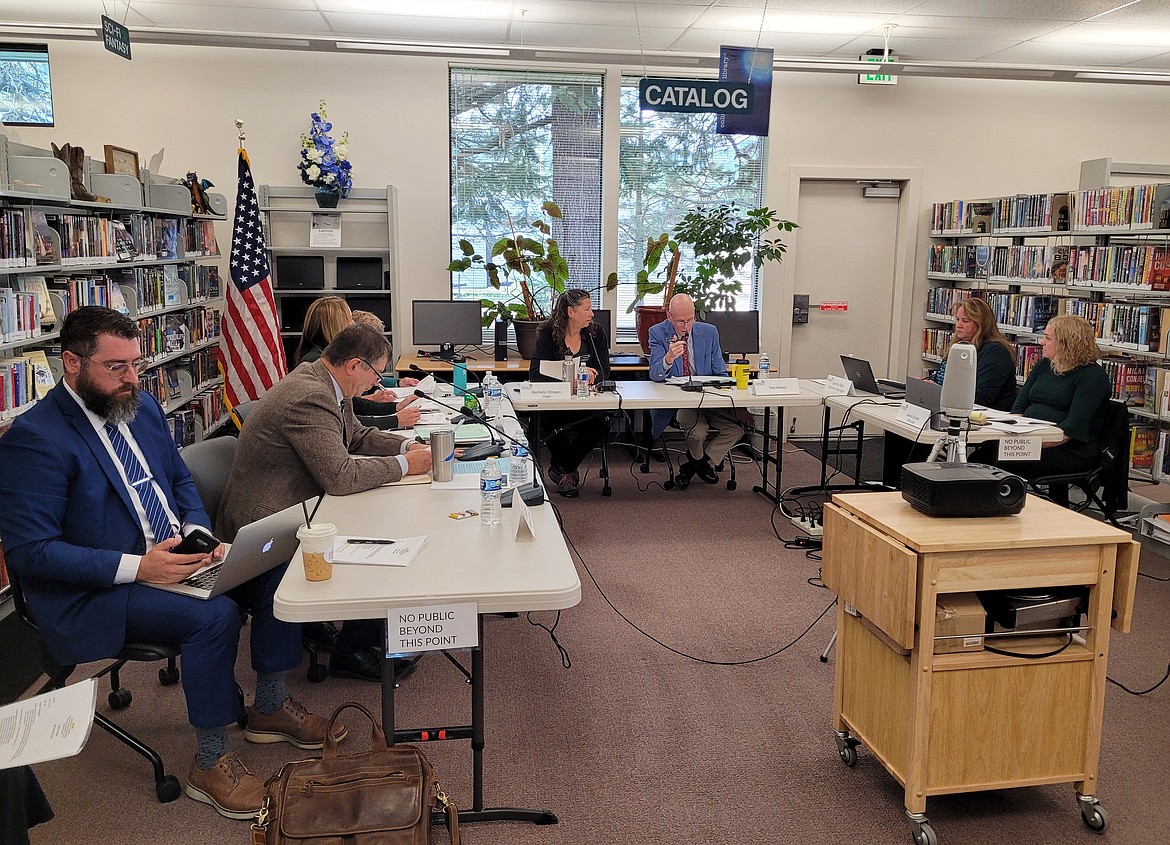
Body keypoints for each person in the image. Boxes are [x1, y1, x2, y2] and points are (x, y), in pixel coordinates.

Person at [0, 307, 340, 821]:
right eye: (117, 367)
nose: (133, 379)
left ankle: (269, 706)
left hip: (175, 558)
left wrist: (200, 536)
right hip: (102, 585)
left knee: (276, 573)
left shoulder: (140, 406)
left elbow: (179, 482)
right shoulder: (35, 438)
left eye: (135, 364)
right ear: (71, 363)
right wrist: (139, 567)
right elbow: (31, 553)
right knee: (215, 617)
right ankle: (211, 760)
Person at [217, 324, 433, 682]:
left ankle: (353, 629)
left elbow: (357, 436)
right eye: (377, 374)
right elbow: (341, 476)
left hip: (295, 504)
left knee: (379, 514)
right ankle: (352, 651)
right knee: (377, 534)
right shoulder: (310, 396)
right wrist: (409, 466)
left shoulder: (324, 380)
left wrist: (407, 447)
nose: (376, 384)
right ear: (354, 365)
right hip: (266, 526)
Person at [1000, 314, 1111, 483]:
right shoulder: (1044, 365)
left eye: (1047, 338)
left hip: (1069, 449)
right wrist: (1014, 435)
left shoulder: (1092, 377)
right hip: (1030, 438)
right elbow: (1020, 405)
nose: (1041, 342)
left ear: (1067, 344)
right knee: (986, 453)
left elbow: (1072, 428)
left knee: (997, 461)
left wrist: (1025, 445)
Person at [648, 293, 744, 487]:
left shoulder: (709, 332)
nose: (686, 326)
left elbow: (719, 371)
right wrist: (668, 359)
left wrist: (730, 393)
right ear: (669, 316)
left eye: (690, 319)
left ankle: (696, 466)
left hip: (708, 398)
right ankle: (702, 464)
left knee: (736, 429)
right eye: (680, 321)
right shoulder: (657, 332)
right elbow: (655, 375)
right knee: (698, 431)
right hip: (680, 402)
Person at [528, 289, 611, 497]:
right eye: (587, 309)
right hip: (554, 400)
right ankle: (567, 474)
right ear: (570, 312)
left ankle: (561, 469)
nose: (592, 314)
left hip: (585, 400)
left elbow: (604, 370)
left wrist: (593, 376)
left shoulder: (596, 333)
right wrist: (567, 379)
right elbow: (535, 373)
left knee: (600, 423)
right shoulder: (548, 333)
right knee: (553, 423)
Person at [294, 296, 421, 430]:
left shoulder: (324, 357)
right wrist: (394, 420)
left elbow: (349, 408)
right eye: (349, 319)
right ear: (336, 325)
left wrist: (395, 407)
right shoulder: (320, 364)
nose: (354, 324)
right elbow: (346, 421)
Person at [929, 297, 1018, 411]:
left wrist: (938, 390)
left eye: (965, 321)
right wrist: (928, 383)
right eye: (957, 320)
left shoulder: (995, 351)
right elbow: (942, 378)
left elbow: (982, 398)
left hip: (984, 417)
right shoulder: (959, 346)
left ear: (981, 325)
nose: (959, 325)